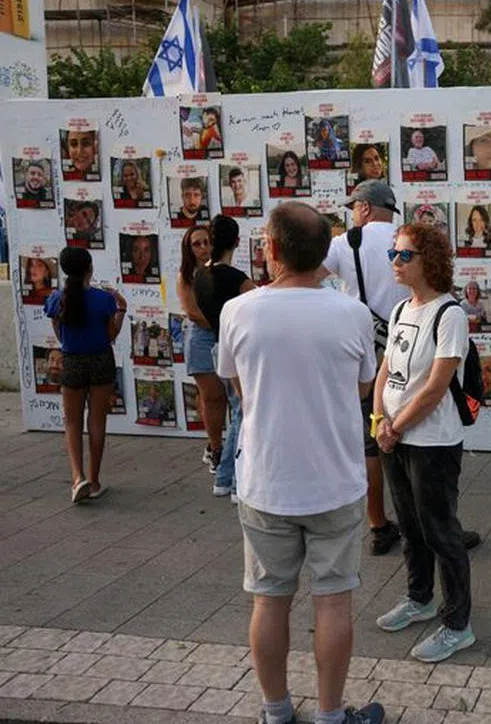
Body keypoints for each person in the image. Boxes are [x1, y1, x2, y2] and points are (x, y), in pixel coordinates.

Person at [216, 201, 386, 724]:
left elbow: (237, 386)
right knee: (333, 601)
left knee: (269, 600)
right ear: (325, 255)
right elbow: (363, 387)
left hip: (266, 482)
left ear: (270, 249)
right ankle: (332, 716)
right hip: (335, 480)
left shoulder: (238, 312)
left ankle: (276, 712)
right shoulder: (352, 313)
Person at [373, 223, 476, 663]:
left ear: (429, 260)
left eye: (405, 255)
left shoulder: (448, 314)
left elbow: (437, 386)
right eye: (393, 254)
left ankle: (458, 624)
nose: (395, 262)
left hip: (431, 441)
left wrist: (396, 426)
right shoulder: (399, 310)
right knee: (411, 526)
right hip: (393, 435)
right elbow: (385, 370)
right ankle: (420, 599)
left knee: (440, 531)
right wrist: (380, 418)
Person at [316, 180, 407, 555]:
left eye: (353, 207)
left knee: (372, 443)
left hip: (367, 358)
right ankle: (429, 525)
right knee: (417, 439)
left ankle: (379, 525)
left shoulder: (345, 243)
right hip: (411, 351)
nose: (352, 214)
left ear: (365, 208)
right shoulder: (409, 238)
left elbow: (308, 278)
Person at [44, 247, 126, 503]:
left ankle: (77, 477)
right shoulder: (103, 300)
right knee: (97, 422)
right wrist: (121, 309)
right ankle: (94, 480)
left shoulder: (58, 299)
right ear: (89, 268)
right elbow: (111, 335)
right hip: (101, 359)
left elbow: (59, 333)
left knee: (72, 422)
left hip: (72, 361)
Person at [193, 216, 257, 499]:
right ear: (237, 242)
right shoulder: (234, 277)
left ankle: (227, 478)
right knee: (241, 415)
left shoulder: (200, 275)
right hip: (236, 351)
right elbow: (261, 304)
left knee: (238, 413)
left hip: (219, 346)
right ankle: (228, 479)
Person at [177, 226, 227, 471]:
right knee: (212, 396)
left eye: (207, 242)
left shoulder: (221, 271)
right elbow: (193, 313)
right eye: (197, 244)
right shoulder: (186, 275)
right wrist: (223, 324)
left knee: (227, 396)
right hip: (202, 338)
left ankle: (215, 445)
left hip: (224, 335)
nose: (203, 248)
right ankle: (216, 448)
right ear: (189, 249)